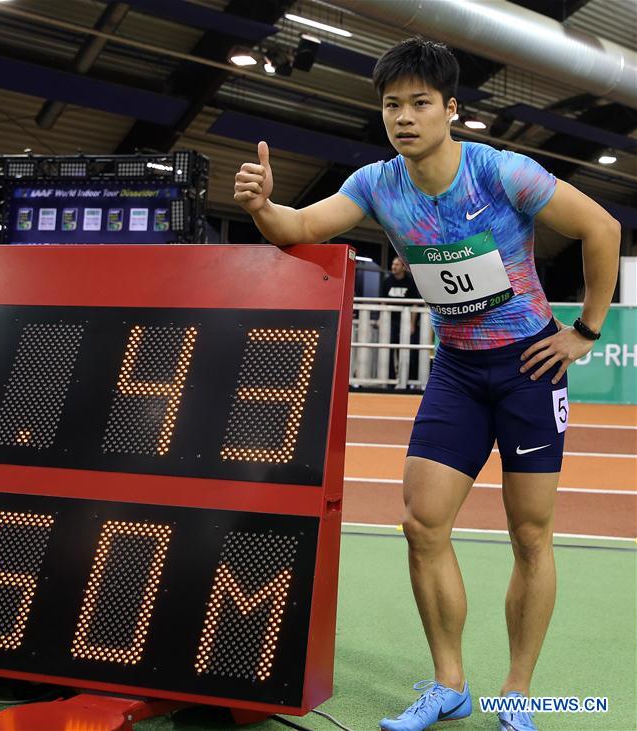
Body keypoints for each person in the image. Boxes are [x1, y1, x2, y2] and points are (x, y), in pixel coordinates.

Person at [233, 37, 620, 731]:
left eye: (418, 103)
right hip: (458, 371)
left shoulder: (503, 173)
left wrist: (584, 330)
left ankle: (517, 692)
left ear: (449, 110)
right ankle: (448, 681)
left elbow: (601, 227)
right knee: (421, 522)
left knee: (530, 534)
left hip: (530, 366)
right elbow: (298, 225)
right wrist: (264, 206)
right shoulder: (377, 184)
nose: (403, 117)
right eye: (391, 105)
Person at [380, 255, 422, 383]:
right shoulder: (387, 281)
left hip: (406, 322)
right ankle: (390, 379)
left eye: (397, 265)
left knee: (408, 350)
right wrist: (382, 320)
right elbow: (382, 302)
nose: (393, 267)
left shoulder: (410, 282)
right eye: (393, 264)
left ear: (403, 267)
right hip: (391, 321)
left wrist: (412, 324)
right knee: (388, 348)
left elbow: (415, 304)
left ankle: (408, 380)